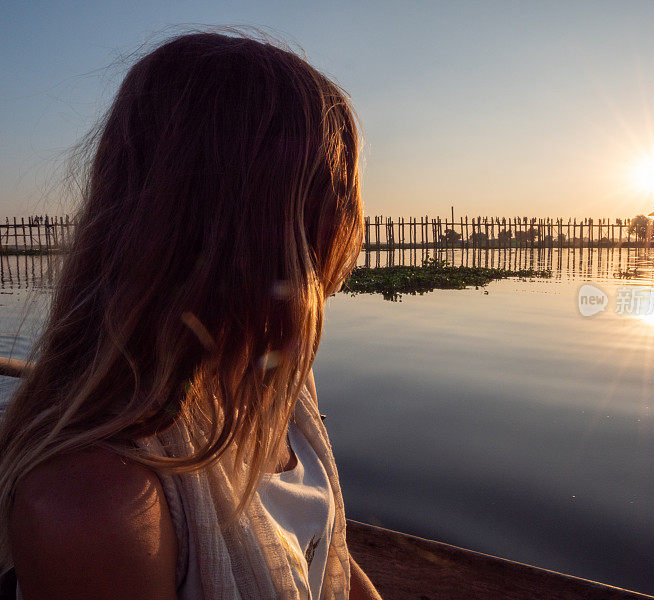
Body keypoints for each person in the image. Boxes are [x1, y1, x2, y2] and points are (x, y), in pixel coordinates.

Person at [0, 29, 382, 600]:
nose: (358, 221)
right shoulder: (96, 507)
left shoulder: (273, 380)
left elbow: (331, 555)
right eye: (340, 191)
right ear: (274, 219)